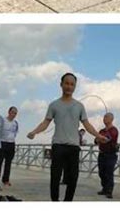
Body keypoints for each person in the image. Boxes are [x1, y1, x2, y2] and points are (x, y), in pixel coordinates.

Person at [26, 72, 105, 201]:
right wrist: (34, 132)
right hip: (58, 146)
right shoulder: (54, 105)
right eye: (67, 83)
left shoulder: (79, 106)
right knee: (55, 177)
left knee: (73, 178)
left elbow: (87, 124)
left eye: (72, 84)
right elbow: (45, 122)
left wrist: (98, 136)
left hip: (74, 147)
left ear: (75, 87)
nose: (69, 86)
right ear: (61, 84)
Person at [97, 112, 119, 199]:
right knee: (101, 172)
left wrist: (100, 139)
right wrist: (100, 139)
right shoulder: (101, 131)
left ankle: (109, 191)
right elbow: (96, 140)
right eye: (104, 117)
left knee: (109, 173)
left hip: (111, 154)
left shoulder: (114, 130)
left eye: (106, 117)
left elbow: (108, 139)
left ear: (111, 119)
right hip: (101, 154)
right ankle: (104, 188)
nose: (104, 119)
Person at [0, 106, 19, 187]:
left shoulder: (15, 123)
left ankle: (6, 180)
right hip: (2, 142)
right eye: (12, 112)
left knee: (8, 163)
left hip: (11, 144)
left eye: (15, 113)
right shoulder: (2, 120)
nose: (13, 114)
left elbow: (15, 133)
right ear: (9, 112)